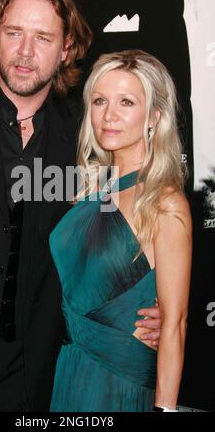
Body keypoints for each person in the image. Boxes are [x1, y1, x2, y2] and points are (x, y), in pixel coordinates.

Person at [0, 0, 161, 412]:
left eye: (43, 37)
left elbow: (122, 236)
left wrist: (150, 308)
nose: (25, 52)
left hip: (37, 379)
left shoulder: (89, 144)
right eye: (14, 33)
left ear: (66, 48)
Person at [49, 49, 192, 412]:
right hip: (69, 371)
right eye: (99, 100)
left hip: (119, 385)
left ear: (153, 116)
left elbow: (174, 325)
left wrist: (166, 410)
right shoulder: (91, 188)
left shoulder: (164, 201)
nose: (109, 115)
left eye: (126, 102)